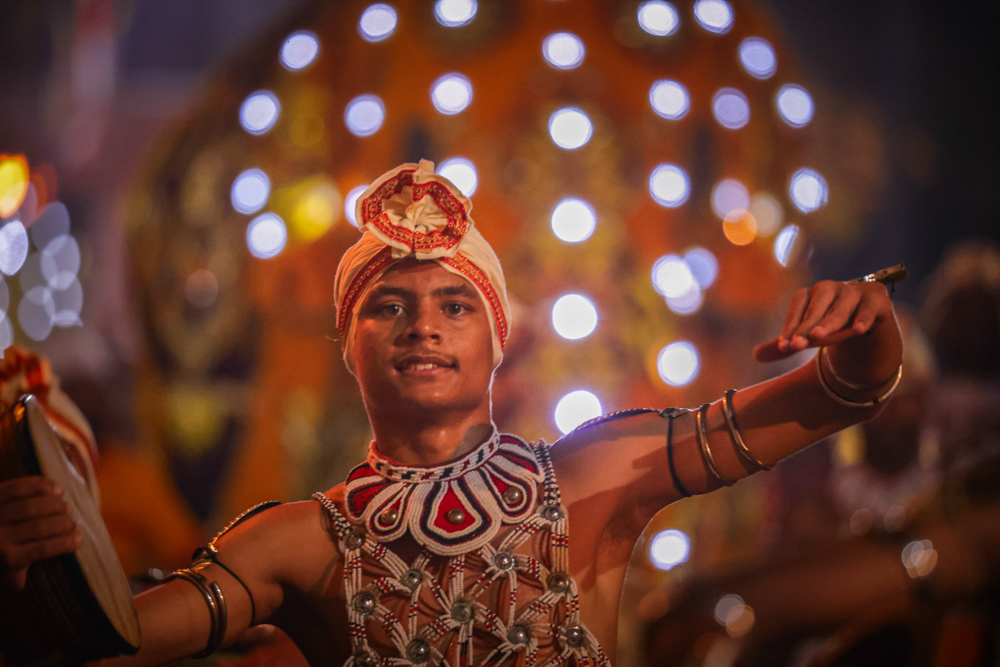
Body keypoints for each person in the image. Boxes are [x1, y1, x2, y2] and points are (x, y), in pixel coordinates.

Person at [0, 160, 903, 666]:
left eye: (455, 304)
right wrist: (22, 556)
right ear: (347, 344)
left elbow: (835, 396)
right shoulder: (294, 542)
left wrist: (862, 330)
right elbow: (102, 642)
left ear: (494, 342)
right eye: (387, 306)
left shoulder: (594, 474)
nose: (423, 324)